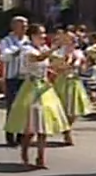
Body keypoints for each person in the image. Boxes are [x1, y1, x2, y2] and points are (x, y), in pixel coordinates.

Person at [4, 24, 70, 168]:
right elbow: (39, 58)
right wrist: (55, 47)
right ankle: (25, 152)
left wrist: (67, 55)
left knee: (43, 127)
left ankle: (40, 158)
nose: (43, 36)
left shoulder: (44, 48)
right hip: (31, 87)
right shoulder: (27, 49)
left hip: (44, 87)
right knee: (31, 128)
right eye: (40, 34)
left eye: (44, 33)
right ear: (32, 35)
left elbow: (55, 60)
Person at [52, 31, 91, 146]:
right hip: (62, 81)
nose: (73, 41)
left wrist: (83, 64)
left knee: (74, 110)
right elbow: (55, 67)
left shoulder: (78, 52)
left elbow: (82, 68)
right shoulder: (58, 52)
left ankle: (67, 128)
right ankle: (66, 131)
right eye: (70, 39)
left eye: (74, 39)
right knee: (63, 108)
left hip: (74, 81)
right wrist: (66, 64)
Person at [0, 16, 29, 147]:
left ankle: (22, 135)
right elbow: (3, 56)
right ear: (14, 26)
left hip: (26, 78)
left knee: (25, 107)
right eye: (22, 25)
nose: (25, 27)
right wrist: (17, 51)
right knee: (12, 107)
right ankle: (10, 135)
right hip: (12, 78)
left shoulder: (28, 40)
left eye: (26, 25)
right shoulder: (7, 40)